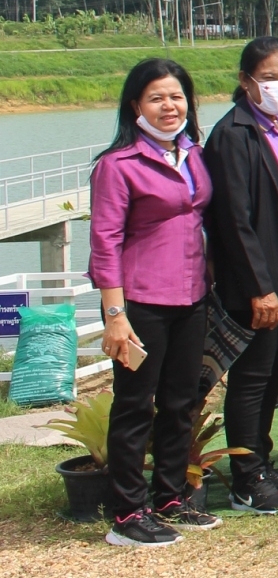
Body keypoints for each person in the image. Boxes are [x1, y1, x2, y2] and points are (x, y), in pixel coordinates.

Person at [91, 59, 218, 546]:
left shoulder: (193, 154)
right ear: (135, 106)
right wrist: (115, 315)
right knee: (134, 405)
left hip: (191, 297)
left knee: (181, 402)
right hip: (140, 301)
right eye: (157, 98)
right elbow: (105, 242)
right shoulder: (118, 165)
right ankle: (127, 513)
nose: (169, 106)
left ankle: (169, 497)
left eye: (177, 96)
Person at [203, 37, 278, 514]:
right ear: (246, 81)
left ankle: (262, 464)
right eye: (269, 77)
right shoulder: (233, 135)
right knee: (251, 378)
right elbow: (232, 219)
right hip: (257, 280)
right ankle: (246, 480)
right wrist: (258, 288)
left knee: (273, 376)